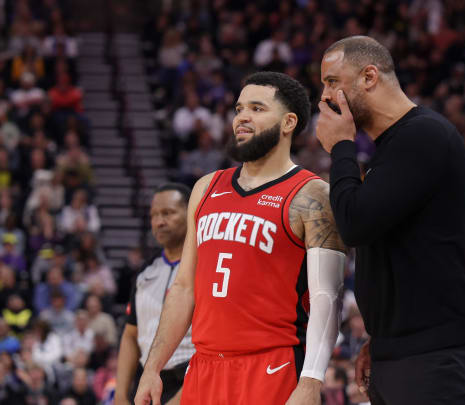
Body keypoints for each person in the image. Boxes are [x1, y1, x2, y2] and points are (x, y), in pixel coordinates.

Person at [134, 71, 347, 405]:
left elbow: (328, 297)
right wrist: (152, 368)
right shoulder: (206, 187)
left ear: (288, 122)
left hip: (272, 367)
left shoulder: (313, 195)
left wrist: (310, 382)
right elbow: (183, 287)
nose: (242, 117)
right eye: (238, 109)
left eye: (257, 108)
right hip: (204, 367)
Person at [315, 35, 465, 405]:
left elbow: (355, 224)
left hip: (438, 352)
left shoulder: (423, 136)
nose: (324, 97)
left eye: (332, 81)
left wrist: (342, 148)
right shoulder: (398, 145)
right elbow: (394, 248)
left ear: (369, 77)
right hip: (407, 350)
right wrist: (383, 339)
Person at [114, 183, 196, 405]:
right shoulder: (145, 272)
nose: (159, 222)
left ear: (191, 213)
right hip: (148, 381)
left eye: (168, 213)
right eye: (154, 215)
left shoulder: (207, 268)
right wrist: (120, 394)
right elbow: (131, 334)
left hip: (191, 380)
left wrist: (185, 396)